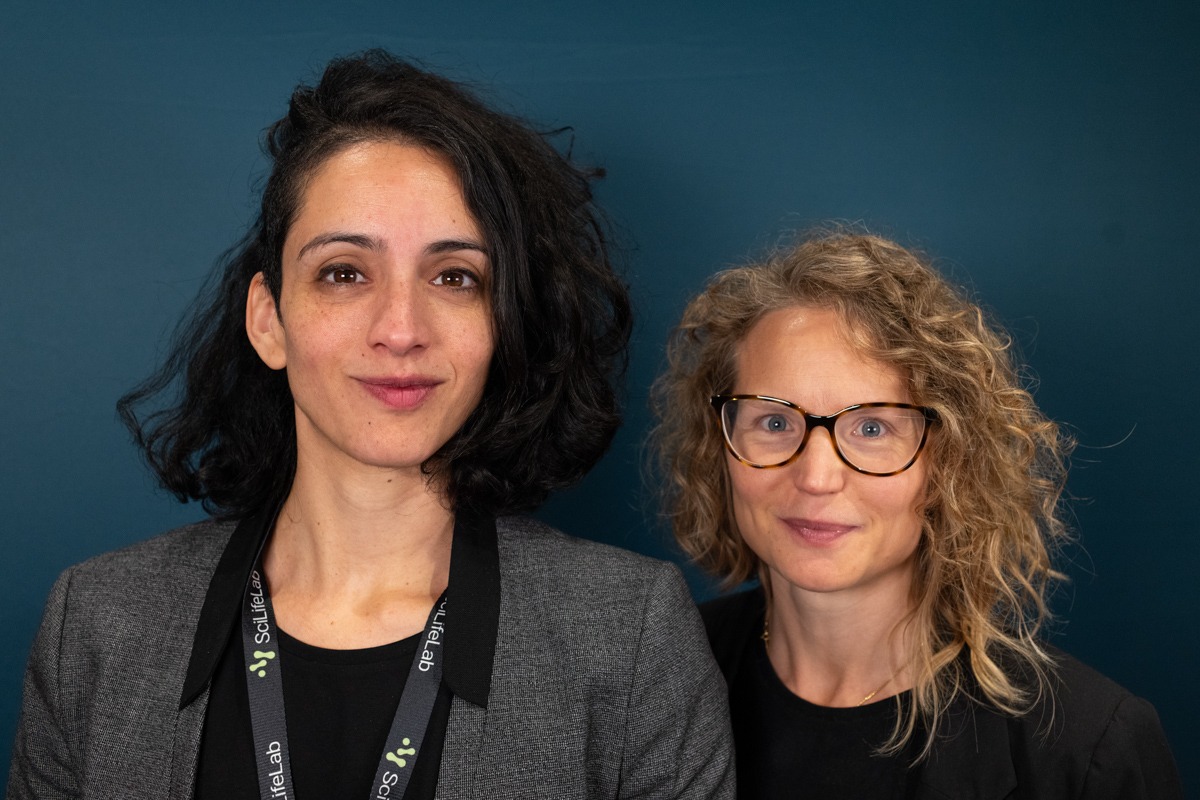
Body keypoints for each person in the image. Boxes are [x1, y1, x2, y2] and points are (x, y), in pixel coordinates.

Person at [9, 51, 734, 800]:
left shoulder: (629, 635)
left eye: (455, 277)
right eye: (344, 272)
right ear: (268, 319)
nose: (400, 328)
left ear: (505, 324)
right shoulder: (96, 624)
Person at [652, 231, 1182, 799]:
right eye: (776, 422)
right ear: (721, 442)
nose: (816, 477)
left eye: (874, 428)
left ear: (949, 461)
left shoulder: (1087, 747)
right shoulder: (651, 679)